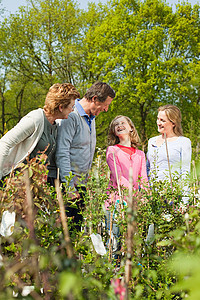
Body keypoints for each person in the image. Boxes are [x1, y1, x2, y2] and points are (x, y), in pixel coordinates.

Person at [47, 81, 116, 231]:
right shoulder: (71, 116)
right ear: (95, 99)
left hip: (80, 186)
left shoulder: (91, 118)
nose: (106, 109)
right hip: (66, 185)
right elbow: (62, 152)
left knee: (76, 232)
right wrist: (69, 186)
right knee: (64, 234)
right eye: (106, 105)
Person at [0, 83, 80, 185]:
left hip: (31, 185)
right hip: (13, 182)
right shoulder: (35, 119)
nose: (72, 110)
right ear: (61, 107)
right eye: (71, 107)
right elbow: (4, 143)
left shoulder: (54, 125)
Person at [105, 115, 148, 260]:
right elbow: (118, 177)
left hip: (135, 202)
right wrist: (131, 193)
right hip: (116, 201)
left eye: (123, 123)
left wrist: (146, 196)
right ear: (114, 132)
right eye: (115, 124)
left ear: (131, 128)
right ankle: (112, 273)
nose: (119, 125)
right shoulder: (112, 150)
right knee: (114, 241)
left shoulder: (141, 154)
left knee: (133, 241)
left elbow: (144, 179)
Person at [146, 104, 191, 203]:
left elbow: (185, 171)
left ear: (173, 123)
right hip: (153, 195)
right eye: (158, 119)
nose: (158, 123)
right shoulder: (151, 141)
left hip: (173, 195)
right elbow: (148, 168)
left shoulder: (183, 142)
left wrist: (184, 201)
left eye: (162, 120)